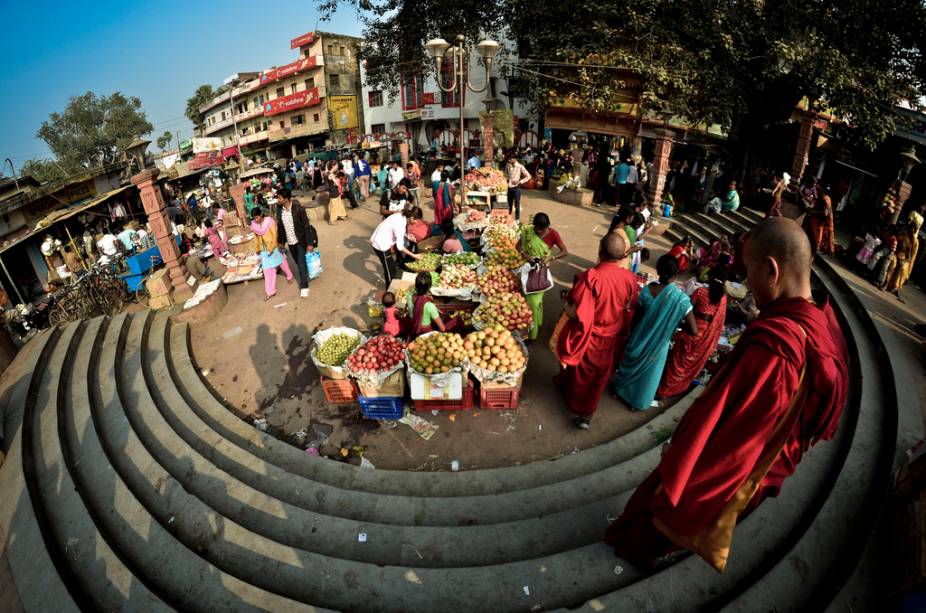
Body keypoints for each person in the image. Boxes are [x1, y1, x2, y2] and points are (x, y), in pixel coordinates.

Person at [606, 218, 849, 572]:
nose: (747, 284)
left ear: (771, 270)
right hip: (778, 451)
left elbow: (735, 445)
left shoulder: (776, 350)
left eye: (749, 272)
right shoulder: (824, 322)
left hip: (736, 470)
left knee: (664, 513)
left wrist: (680, 463)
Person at [555, 232, 638, 429]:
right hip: (611, 335)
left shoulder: (591, 278)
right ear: (622, 256)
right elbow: (630, 304)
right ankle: (587, 413)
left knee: (580, 372)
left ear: (600, 252)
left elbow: (577, 314)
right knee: (600, 374)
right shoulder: (629, 278)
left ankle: (577, 406)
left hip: (589, 336)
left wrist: (566, 307)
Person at [614, 255, 697, 411]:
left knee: (630, 367)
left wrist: (634, 336)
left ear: (658, 271)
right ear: (677, 273)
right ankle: (636, 403)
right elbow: (694, 330)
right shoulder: (681, 300)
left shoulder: (647, 290)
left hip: (639, 339)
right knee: (648, 375)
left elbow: (637, 318)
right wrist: (675, 321)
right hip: (659, 345)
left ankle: (620, 392)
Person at [657, 266, 728, 399]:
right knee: (688, 365)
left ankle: (663, 391)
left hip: (693, 330)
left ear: (710, 276)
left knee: (677, 362)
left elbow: (687, 310)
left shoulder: (701, 292)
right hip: (706, 336)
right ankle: (677, 389)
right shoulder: (723, 299)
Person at [276, 188, 319, 299]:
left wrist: (309, 243)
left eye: (279, 198)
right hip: (290, 243)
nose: (278, 199)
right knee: (298, 261)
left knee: (300, 263)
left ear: (286, 199)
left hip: (300, 241)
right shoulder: (280, 211)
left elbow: (306, 227)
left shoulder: (298, 209)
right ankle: (307, 271)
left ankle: (304, 286)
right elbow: (280, 228)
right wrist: (280, 242)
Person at [518, 217, 554, 341]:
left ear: (547, 226)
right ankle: (532, 332)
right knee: (531, 302)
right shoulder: (528, 232)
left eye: (541, 229)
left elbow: (565, 251)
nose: (538, 231)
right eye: (536, 228)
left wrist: (551, 258)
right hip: (529, 271)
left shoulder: (553, 234)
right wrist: (524, 254)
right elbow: (518, 246)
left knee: (536, 301)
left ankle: (536, 325)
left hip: (542, 272)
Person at [370, 207, 420, 288]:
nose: (416, 222)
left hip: (381, 240)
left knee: (392, 268)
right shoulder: (401, 223)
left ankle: (392, 286)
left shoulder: (401, 215)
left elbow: (396, 230)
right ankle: (389, 291)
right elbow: (400, 247)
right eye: (416, 220)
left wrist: (407, 236)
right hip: (381, 245)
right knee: (389, 271)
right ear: (411, 217)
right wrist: (414, 255)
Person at [250, 208, 294, 301]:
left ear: (261, 214)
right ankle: (270, 291)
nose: (256, 220)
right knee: (267, 271)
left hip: (272, 247)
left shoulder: (270, 221)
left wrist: (271, 248)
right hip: (263, 250)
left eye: (257, 217)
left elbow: (275, 235)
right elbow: (255, 237)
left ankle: (289, 275)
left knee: (282, 262)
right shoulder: (254, 225)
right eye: (254, 218)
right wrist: (257, 248)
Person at [403, 272, 459, 336]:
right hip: (424, 332)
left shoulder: (409, 295)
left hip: (413, 325)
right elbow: (443, 329)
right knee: (456, 321)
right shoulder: (430, 306)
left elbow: (410, 310)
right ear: (430, 287)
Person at [886, 222, 920, 300]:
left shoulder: (915, 241)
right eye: (910, 227)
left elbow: (913, 255)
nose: (911, 229)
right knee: (893, 262)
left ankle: (895, 286)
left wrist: (907, 262)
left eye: (913, 228)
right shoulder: (903, 234)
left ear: (915, 230)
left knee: (902, 268)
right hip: (896, 253)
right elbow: (896, 243)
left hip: (906, 258)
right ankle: (886, 282)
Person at [803, 184, 835, 255]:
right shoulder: (822, 197)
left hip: (818, 225)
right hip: (815, 223)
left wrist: (812, 211)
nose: (816, 191)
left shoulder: (825, 199)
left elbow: (825, 213)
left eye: (818, 189)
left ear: (823, 190)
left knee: (814, 243)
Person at [504, 155, 531, 222]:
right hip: (509, 188)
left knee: (517, 204)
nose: (509, 161)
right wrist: (506, 180)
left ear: (515, 159)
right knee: (509, 204)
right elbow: (506, 174)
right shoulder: (508, 165)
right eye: (509, 159)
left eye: (511, 159)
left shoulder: (520, 166)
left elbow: (528, 176)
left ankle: (517, 219)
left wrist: (520, 182)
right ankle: (508, 217)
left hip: (516, 188)